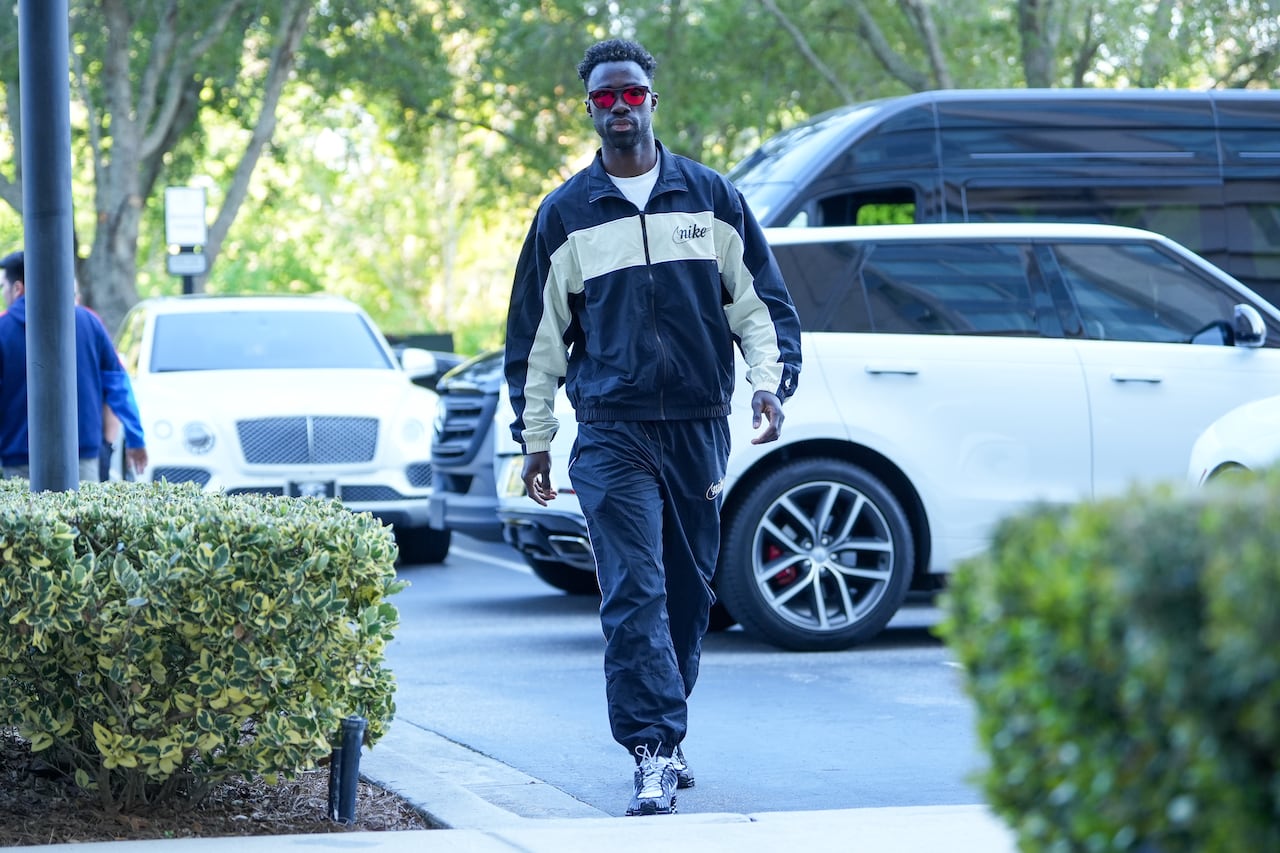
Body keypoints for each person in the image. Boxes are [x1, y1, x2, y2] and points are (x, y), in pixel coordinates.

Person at [503, 39, 802, 817]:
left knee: (687, 594)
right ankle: (652, 749)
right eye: (606, 98)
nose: (621, 108)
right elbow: (535, 340)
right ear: (591, 110)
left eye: (632, 93)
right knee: (634, 588)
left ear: (652, 101)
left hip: (698, 425)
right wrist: (535, 437)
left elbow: (760, 309)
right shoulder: (565, 214)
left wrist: (769, 388)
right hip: (611, 429)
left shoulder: (711, 198)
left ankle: (667, 731)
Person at [0, 250, 148, 481]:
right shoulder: (89, 323)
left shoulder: (3, 330)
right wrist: (136, 439)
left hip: (18, 459)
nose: (4, 294)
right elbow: (117, 385)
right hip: (82, 456)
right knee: (81, 516)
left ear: (17, 288)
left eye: (3, 287)